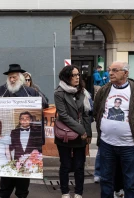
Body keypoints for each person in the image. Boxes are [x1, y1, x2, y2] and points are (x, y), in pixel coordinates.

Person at [93, 61, 134, 198]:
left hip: (130, 146)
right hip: (107, 144)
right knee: (106, 180)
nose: (110, 73)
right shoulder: (104, 90)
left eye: (115, 70)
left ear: (126, 73)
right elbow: (97, 112)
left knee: (130, 183)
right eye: (109, 70)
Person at [0, 64, 42, 198]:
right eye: (10, 77)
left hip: (27, 156)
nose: (12, 80)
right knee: (5, 184)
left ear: (20, 78)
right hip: (7, 149)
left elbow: (44, 104)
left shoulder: (30, 92)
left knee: (22, 185)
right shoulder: (1, 91)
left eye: (14, 77)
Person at [54, 65, 92, 198]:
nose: (77, 77)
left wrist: (88, 132)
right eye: (73, 75)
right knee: (65, 164)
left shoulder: (82, 91)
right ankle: (65, 192)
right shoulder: (59, 92)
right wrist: (81, 129)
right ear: (66, 77)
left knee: (79, 165)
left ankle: (78, 192)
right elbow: (63, 115)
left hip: (80, 135)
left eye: (78, 75)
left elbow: (87, 114)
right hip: (64, 133)